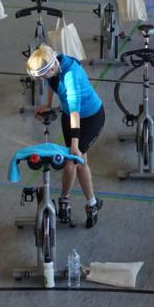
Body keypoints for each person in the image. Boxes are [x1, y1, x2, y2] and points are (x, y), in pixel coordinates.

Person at [26, 44, 105, 228]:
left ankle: (64, 199)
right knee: (81, 162)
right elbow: (51, 83)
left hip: (90, 117)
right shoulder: (55, 62)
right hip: (69, 116)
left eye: (41, 76)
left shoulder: (70, 76)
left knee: (71, 162)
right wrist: (48, 104)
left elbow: (76, 112)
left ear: (50, 69)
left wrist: (74, 145)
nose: (41, 80)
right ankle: (92, 203)